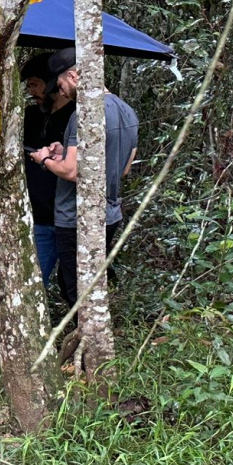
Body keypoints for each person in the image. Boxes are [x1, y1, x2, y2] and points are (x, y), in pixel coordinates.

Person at [29, 48, 139, 305]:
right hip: (109, 214)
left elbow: (72, 171)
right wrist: (64, 152)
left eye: (61, 84)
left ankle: (86, 342)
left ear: (73, 76)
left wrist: (44, 159)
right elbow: (123, 168)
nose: (62, 92)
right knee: (88, 285)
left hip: (77, 217)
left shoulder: (84, 114)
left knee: (75, 289)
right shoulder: (127, 111)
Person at [21, 53, 75, 289]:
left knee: (72, 283)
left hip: (67, 215)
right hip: (37, 214)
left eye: (35, 84)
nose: (31, 91)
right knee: (33, 282)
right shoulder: (30, 115)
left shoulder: (77, 116)